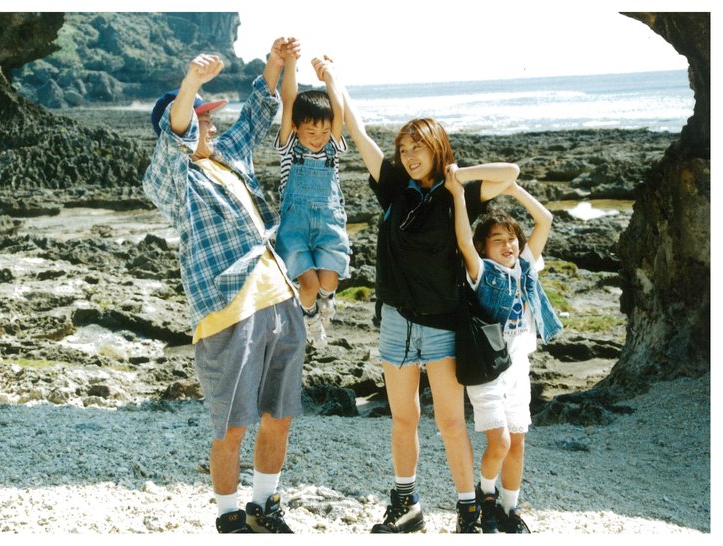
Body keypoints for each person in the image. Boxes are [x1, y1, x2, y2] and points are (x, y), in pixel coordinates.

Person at [142, 37, 305, 534]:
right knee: (233, 425)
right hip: (226, 308)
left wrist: (276, 64)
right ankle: (229, 517)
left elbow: (257, 112)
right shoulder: (171, 178)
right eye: (200, 118)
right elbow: (176, 135)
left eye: (209, 117)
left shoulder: (226, 158)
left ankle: (263, 505)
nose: (208, 124)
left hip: (279, 292)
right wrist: (190, 84)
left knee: (280, 415)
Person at [342, 78, 520, 533]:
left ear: (437, 148)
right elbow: (358, 132)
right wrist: (330, 79)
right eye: (404, 149)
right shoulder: (394, 189)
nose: (409, 156)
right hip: (397, 320)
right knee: (403, 418)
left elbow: (511, 173)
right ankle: (406, 505)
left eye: (418, 147)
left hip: (442, 323)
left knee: (449, 422)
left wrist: (459, 177)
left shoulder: (455, 195)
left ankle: (468, 511)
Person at [446, 174, 563, 533]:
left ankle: (509, 512)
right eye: (498, 241)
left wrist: (514, 190)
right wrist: (457, 195)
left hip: (518, 370)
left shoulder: (526, 267)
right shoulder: (482, 271)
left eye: (512, 239)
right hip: (486, 370)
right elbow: (464, 240)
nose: (509, 246)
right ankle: (486, 497)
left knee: (517, 444)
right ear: (485, 248)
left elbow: (545, 220)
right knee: (500, 442)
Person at [274, 54, 349, 348]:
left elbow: (339, 112)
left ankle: (326, 299)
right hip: (295, 230)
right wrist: (290, 64)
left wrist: (329, 76)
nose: (319, 138)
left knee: (328, 283)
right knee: (309, 286)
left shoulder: (332, 148)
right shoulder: (289, 149)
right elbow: (289, 100)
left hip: (328, 226)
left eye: (324, 131)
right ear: (295, 128)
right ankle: (309, 316)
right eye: (311, 132)